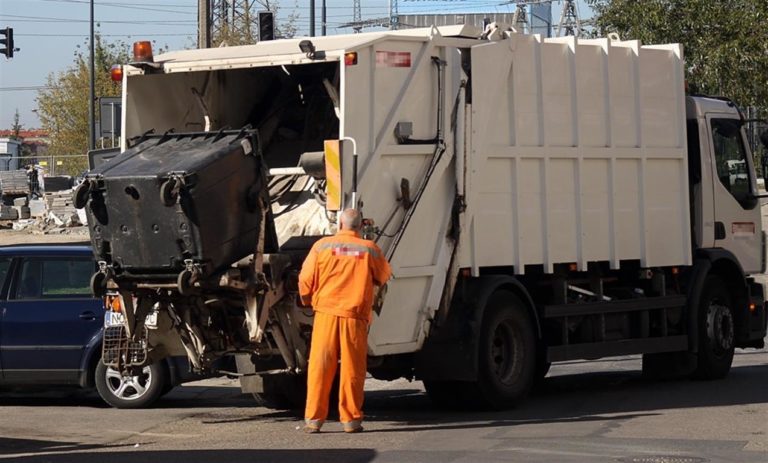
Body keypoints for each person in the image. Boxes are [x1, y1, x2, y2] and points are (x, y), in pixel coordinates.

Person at [299, 208, 391, 434]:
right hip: (354, 316)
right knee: (352, 368)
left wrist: (307, 300)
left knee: (320, 366)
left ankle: (314, 420)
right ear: (360, 226)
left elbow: (305, 279)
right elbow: (383, 276)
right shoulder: (369, 249)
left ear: (340, 225)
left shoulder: (321, 246)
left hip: (326, 314)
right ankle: (351, 421)